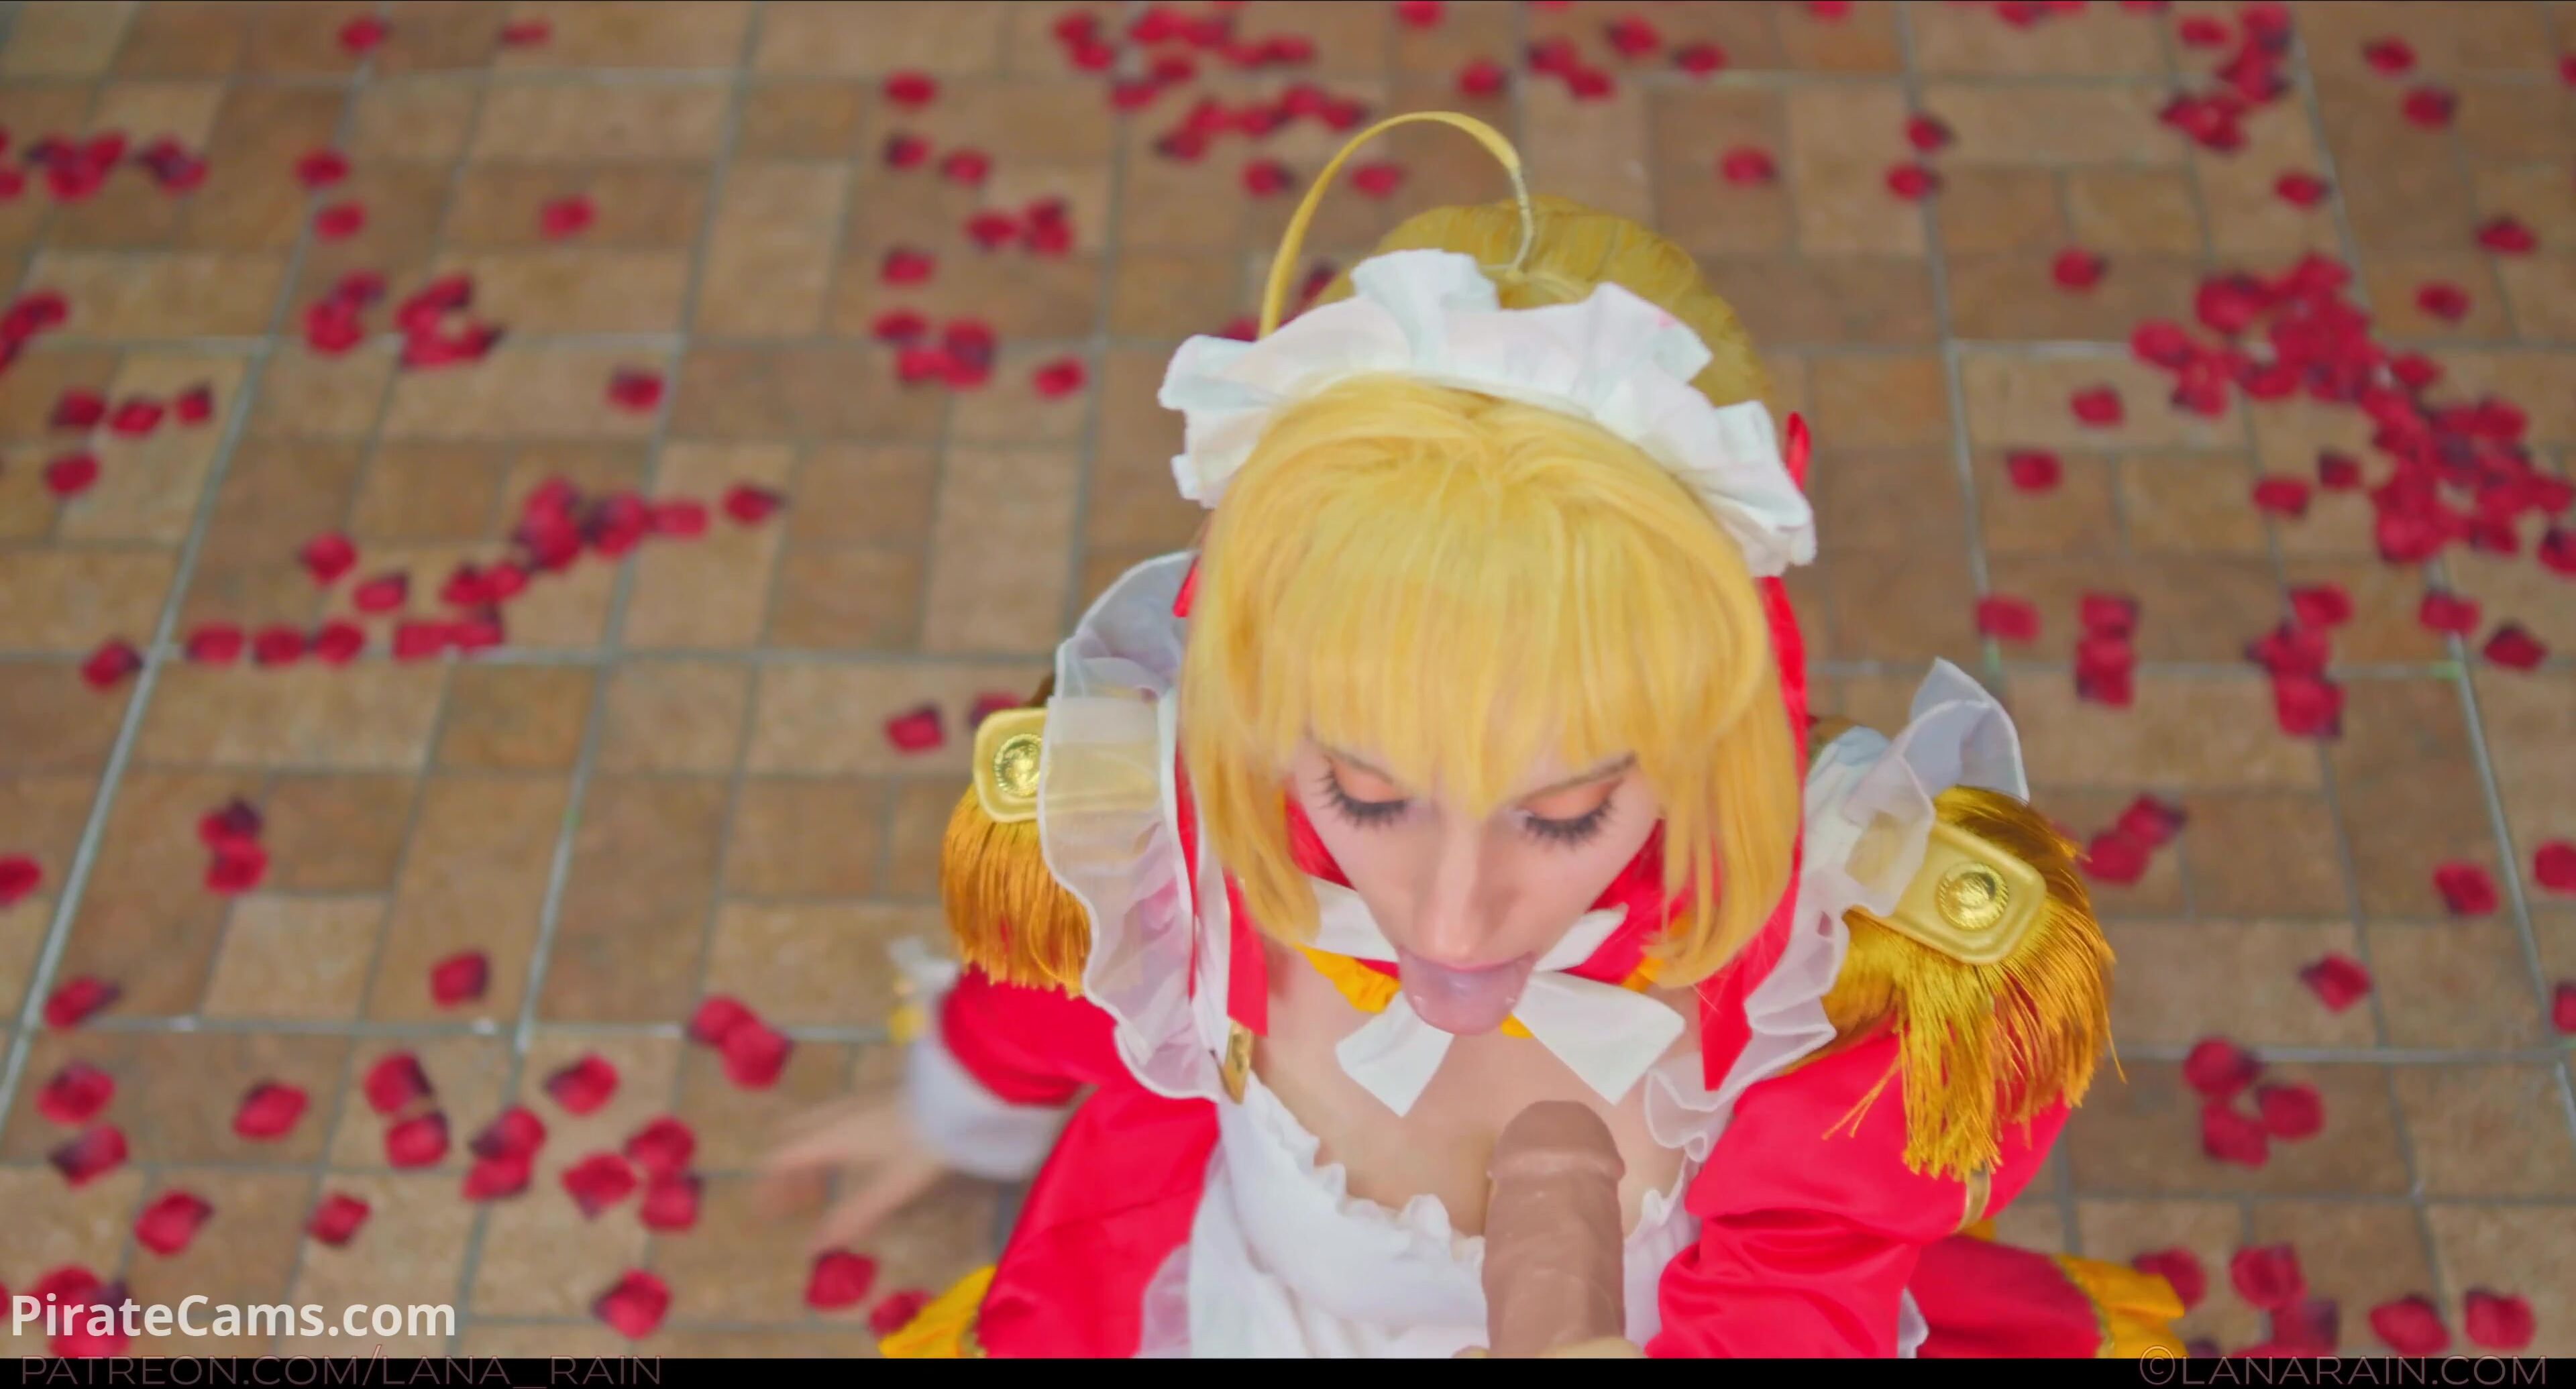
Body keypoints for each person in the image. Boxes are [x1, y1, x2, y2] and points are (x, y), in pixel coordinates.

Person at [762, 113, 2183, 1359]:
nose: (1450, 919)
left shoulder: (1836, 965)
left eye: (1562, 815)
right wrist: (953, 1111)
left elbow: (1796, 1295)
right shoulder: (1170, 837)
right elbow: (1044, 1001)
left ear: (1713, 719)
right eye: (1364, 792)